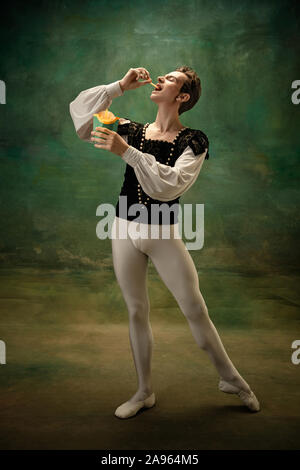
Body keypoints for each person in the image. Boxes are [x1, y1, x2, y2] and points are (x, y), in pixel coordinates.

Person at [69, 66, 260, 419]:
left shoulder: (194, 141)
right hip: (123, 228)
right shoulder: (129, 128)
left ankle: (233, 379)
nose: (160, 79)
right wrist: (118, 86)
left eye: (170, 79)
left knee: (194, 309)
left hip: (161, 233)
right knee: (136, 311)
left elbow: (170, 185)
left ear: (182, 97)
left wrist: (127, 152)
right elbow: (80, 114)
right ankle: (144, 392)